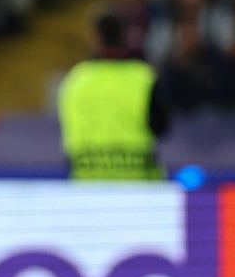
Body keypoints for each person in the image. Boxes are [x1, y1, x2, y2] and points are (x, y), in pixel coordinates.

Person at [58, 10, 170, 179]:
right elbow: (161, 127)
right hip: (138, 188)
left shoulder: (75, 80)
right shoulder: (144, 78)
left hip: (87, 187)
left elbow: (68, 131)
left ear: (94, 37)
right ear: (126, 36)